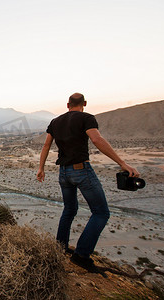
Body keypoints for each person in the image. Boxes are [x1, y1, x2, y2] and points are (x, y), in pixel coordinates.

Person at [36, 92, 140, 272]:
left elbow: (46, 145)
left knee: (69, 209)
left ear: (67, 105)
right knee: (101, 213)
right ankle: (81, 255)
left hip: (63, 173)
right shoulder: (86, 118)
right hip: (81, 170)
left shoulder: (55, 122)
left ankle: (60, 247)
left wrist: (41, 168)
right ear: (84, 103)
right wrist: (122, 163)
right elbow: (96, 139)